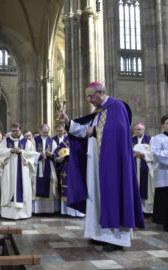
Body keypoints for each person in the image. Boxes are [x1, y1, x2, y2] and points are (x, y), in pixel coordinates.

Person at [58, 82, 144, 251]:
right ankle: (100, 234)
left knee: (113, 195)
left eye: (90, 96)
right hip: (96, 163)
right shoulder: (99, 112)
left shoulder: (117, 106)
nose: (89, 100)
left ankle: (117, 239)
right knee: (96, 198)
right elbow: (84, 131)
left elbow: (117, 130)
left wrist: (95, 131)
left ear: (100, 93)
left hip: (112, 165)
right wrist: (68, 122)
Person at [0, 123, 37, 219]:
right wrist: (10, 151)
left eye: (17, 130)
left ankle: (23, 213)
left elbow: (32, 154)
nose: (15, 132)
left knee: (23, 187)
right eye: (13, 131)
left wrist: (21, 151)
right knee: (8, 186)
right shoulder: (5, 141)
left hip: (23, 170)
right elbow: (0, 153)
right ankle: (8, 213)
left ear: (20, 130)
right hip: (9, 170)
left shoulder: (27, 142)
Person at [54, 136, 85, 217]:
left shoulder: (83, 139)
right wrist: (59, 158)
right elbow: (55, 154)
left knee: (78, 188)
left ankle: (80, 212)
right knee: (68, 188)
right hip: (67, 168)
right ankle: (68, 211)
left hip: (79, 168)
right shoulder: (64, 141)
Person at [33, 124, 59, 214]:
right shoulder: (35, 140)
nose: (45, 134)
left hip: (49, 165)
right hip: (38, 165)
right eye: (44, 132)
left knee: (52, 181)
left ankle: (49, 210)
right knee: (35, 183)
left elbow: (56, 153)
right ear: (40, 131)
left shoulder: (52, 141)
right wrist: (39, 155)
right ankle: (37, 209)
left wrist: (51, 154)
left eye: (47, 132)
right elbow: (30, 152)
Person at [132, 122, 155, 215]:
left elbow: (154, 153)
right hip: (134, 166)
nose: (137, 131)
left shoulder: (150, 139)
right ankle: (137, 209)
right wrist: (133, 155)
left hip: (146, 166)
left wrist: (143, 154)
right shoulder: (131, 139)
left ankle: (147, 210)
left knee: (147, 189)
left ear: (144, 130)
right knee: (135, 186)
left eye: (139, 129)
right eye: (136, 129)